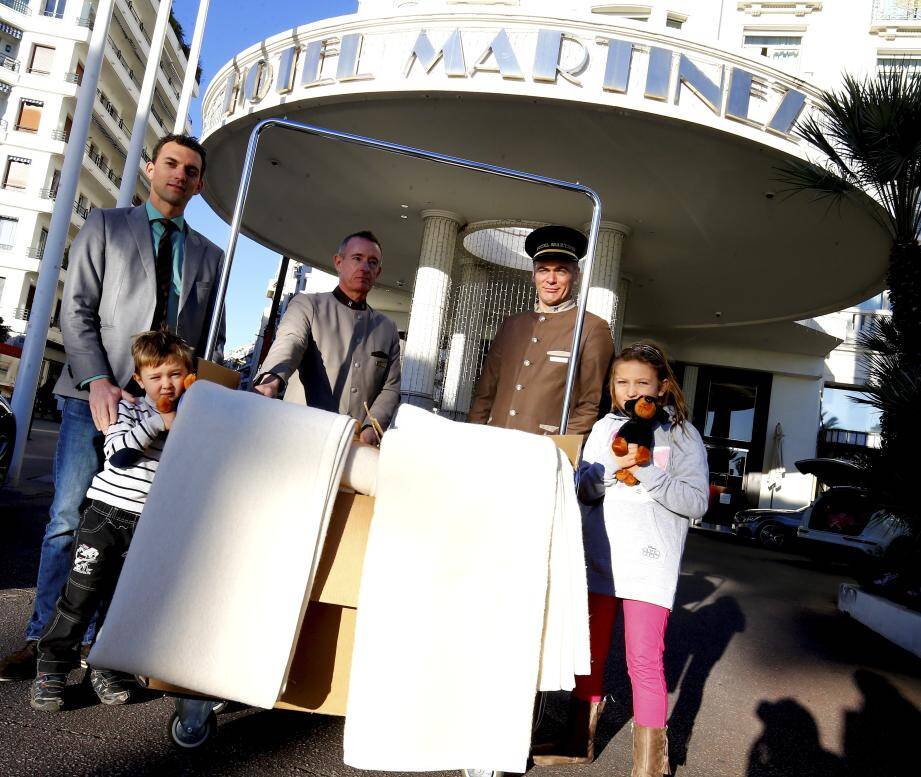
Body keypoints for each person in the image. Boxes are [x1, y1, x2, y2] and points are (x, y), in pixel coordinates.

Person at [0, 134, 225, 682]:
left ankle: (105, 645)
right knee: (68, 518)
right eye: (171, 164)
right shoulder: (105, 226)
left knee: (137, 527)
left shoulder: (210, 256)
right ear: (152, 169)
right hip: (90, 400)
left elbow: (206, 338)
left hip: (162, 413)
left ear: (199, 185)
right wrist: (98, 379)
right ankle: (42, 638)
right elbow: (76, 310)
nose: (179, 175)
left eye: (191, 170)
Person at [533, 342, 708, 774]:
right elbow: (584, 489)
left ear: (663, 387)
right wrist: (613, 465)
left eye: (642, 382)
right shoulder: (603, 428)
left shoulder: (684, 435)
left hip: (651, 563)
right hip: (601, 557)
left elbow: (696, 501)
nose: (631, 391)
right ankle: (578, 740)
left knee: (643, 659)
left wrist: (645, 468)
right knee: (588, 652)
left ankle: (650, 765)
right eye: (622, 381)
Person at [30, 331, 195, 712]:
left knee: (120, 602)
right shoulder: (130, 408)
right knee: (79, 595)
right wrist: (160, 422)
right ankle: (51, 666)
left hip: (150, 524)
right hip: (105, 517)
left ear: (188, 375)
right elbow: (119, 455)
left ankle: (104, 667)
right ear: (139, 379)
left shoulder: (193, 418)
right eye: (156, 377)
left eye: (175, 374)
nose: (166, 384)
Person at [253, 230, 401, 443]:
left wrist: (371, 429)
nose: (364, 267)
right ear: (338, 262)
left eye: (372, 262)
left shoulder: (387, 328)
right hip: (298, 436)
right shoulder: (308, 305)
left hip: (353, 446)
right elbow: (290, 342)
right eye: (357, 258)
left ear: (378, 272)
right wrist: (270, 380)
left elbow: (391, 387)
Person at [467, 225, 613, 436]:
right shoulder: (511, 325)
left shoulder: (592, 328)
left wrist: (562, 450)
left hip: (547, 451)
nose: (551, 280)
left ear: (576, 275)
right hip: (494, 443)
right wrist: (474, 436)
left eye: (561, 270)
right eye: (543, 270)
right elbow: (485, 392)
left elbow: (591, 404)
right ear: (533, 274)